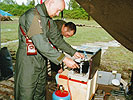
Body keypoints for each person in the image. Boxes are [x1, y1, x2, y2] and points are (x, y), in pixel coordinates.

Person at [14, 0, 84, 100]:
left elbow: (57, 40)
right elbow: (41, 44)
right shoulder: (33, 16)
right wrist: (63, 58)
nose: (58, 13)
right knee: (26, 93)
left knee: (40, 92)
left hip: (41, 60)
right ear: (51, 3)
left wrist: (74, 52)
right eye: (58, 10)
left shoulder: (49, 21)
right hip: (28, 62)